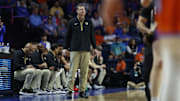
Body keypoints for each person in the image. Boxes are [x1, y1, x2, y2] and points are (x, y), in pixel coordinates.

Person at [65, 4, 97, 98]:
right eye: (80, 9)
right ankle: (69, 90)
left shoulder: (89, 22)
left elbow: (92, 36)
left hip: (86, 50)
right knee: (72, 71)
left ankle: (82, 90)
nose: (82, 11)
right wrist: (65, 48)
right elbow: (67, 36)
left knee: (84, 71)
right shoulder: (72, 22)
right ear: (77, 11)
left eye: (83, 10)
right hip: (74, 50)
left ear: (85, 12)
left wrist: (94, 48)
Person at [151, 0, 180, 101]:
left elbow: (144, 2)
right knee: (171, 70)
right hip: (168, 25)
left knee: (173, 72)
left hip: (168, 25)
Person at [137, 0, 157, 100]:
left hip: (169, 42)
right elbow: (139, 24)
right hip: (152, 42)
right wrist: (148, 31)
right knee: (146, 74)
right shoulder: (150, 5)